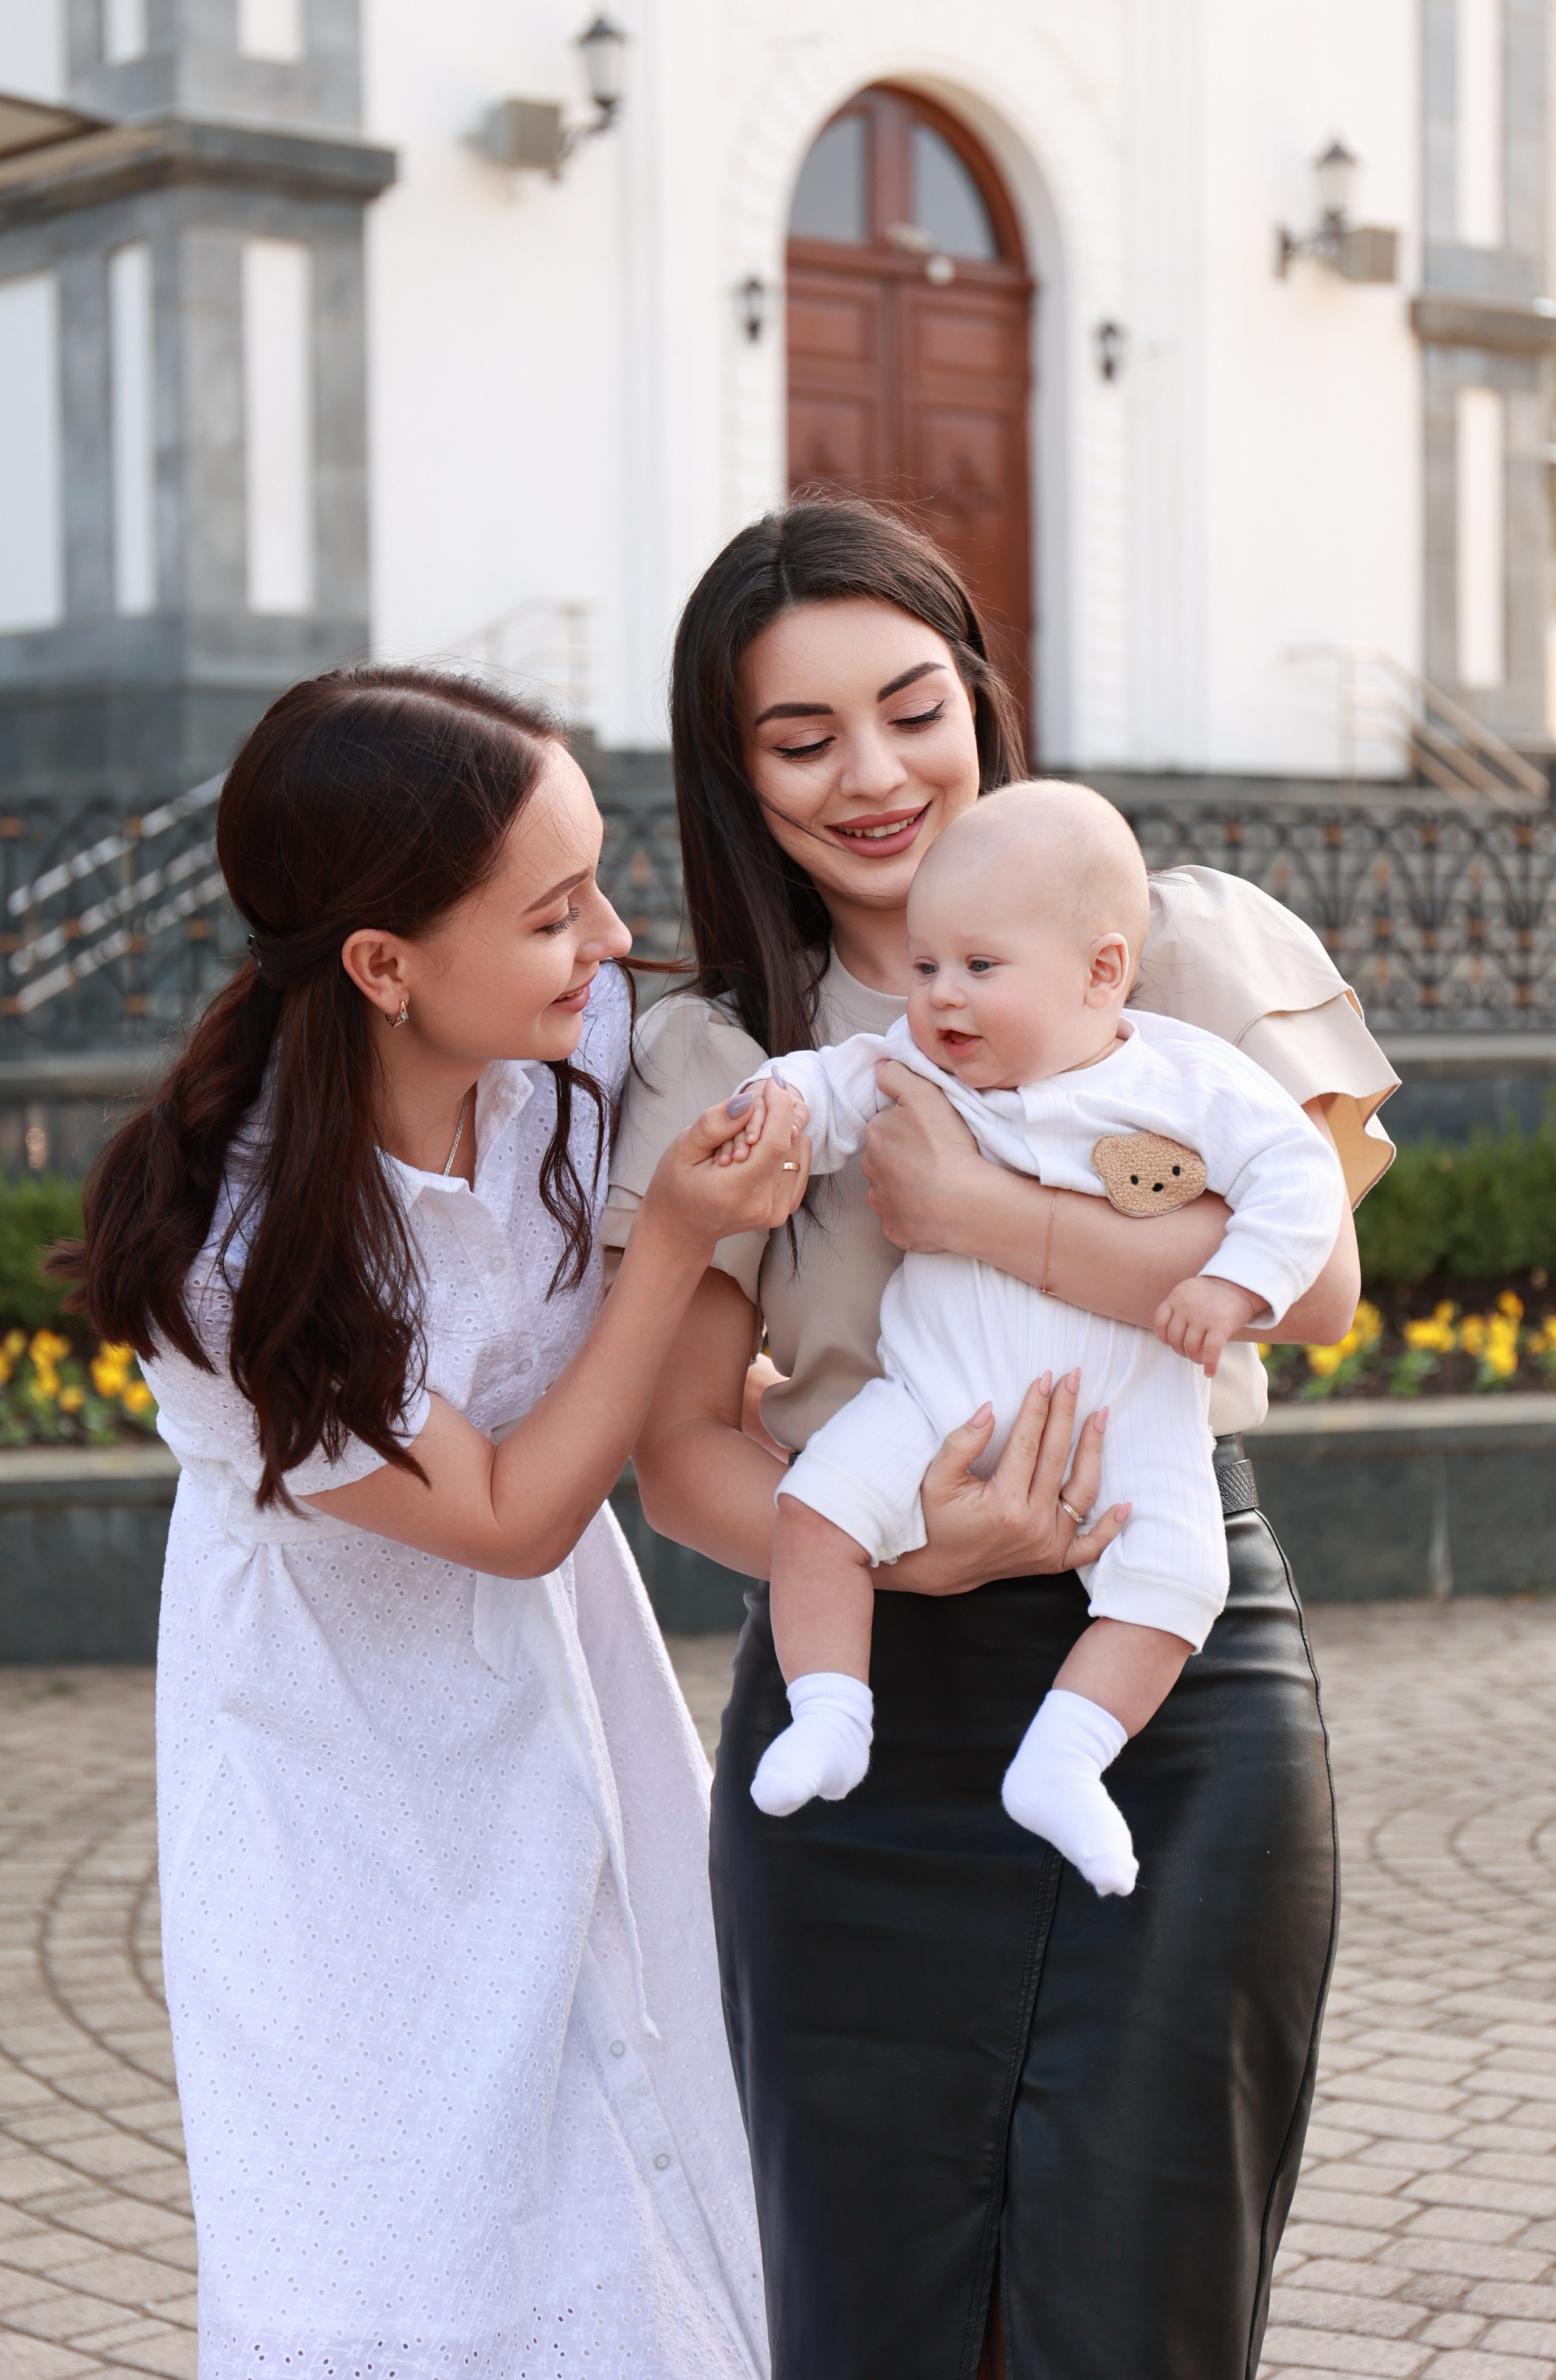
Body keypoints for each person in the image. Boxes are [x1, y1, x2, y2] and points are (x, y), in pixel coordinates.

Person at [602, 500, 1399, 2379]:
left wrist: (983, 1220)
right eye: (802, 741)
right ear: (735, 775)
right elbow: (684, 1460)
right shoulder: (731, 1059)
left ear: (979, 696)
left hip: (1173, 1694)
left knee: (1140, 2305)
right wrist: (905, 1553)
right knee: (879, 2321)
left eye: (910, 707)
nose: (874, 776)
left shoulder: (1164, 947)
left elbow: (1319, 1290)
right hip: (859, 1710)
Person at [54, 666, 810, 2380]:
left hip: (566, 1704)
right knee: (405, 2216)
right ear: (384, 967)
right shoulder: (228, 1259)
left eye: (597, 884)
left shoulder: (571, 1058)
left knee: (646, 2134)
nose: (612, 940)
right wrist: (677, 1244)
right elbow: (513, 1512)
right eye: (553, 914)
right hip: (343, 1779)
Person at [725, 784, 1345, 1892]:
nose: (942, 1000)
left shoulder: (1182, 1079)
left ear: (1103, 972)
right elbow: (819, 1090)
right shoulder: (913, 1071)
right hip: (932, 1406)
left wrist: (1238, 1283)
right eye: (925, 970)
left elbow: (1299, 1183)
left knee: (1179, 1581)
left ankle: (1066, 1760)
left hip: (1129, 1420)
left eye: (980, 968)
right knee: (814, 1510)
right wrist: (769, 1110)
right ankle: (830, 1710)